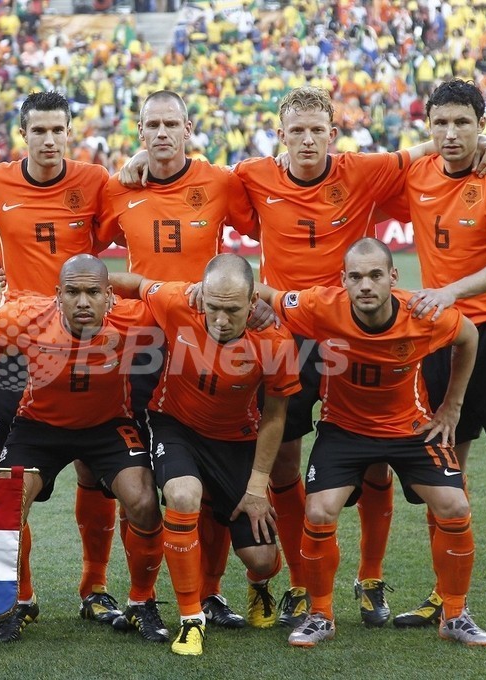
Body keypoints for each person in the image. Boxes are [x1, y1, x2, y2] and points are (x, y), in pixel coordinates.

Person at [120, 86, 486, 628]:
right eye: (296, 131)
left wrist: (483, 142)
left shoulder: (362, 169)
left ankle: (370, 579)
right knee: (282, 461)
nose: (306, 140)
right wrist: (145, 156)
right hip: (289, 332)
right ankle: (300, 585)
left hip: (354, 330)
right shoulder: (252, 175)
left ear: (332, 134)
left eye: (316, 130)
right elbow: (191, 176)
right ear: (280, 136)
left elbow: (427, 150)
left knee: (376, 455)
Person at [258, 238, 486, 648]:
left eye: (375, 275)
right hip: (344, 429)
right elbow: (269, 295)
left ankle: (455, 614)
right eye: (356, 277)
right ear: (343, 280)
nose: (366, 285)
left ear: (393, 277)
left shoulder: (422, 314)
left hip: (409, 429)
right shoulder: (319, 305)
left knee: (455, 506)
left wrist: (451, 406)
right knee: (319, 510)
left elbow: (468, 336)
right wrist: (217, 292)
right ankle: (320, 615)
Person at [388, 79, 486, 644]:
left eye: (463, 122)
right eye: (441, 123)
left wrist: (451, 291)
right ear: (427, 127)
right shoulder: (417, 173)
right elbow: (355, 182)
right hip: (440, 338)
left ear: (482, 124)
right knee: (443, 473)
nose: (451, 133)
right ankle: (446, 596)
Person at [98, 90, 260, 630]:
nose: (163, 132)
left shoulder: (221, 182)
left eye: (172, 123)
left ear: (189, 128)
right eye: (153, 125)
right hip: (141, 347)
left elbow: (266, 221)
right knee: (138, 478)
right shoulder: (118, 187)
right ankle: (140, 598)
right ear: (139, 131)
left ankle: (209, 593)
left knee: (205, 479)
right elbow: (86, 244)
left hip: (209, 343)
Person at [0, 255, 167, 644]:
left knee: (144, 502)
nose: (83, 302)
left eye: (93, 292)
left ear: (109, 295)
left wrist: (260, 312)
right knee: (6, 503)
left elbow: (193, 312)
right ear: (57, 295)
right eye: (73, 292)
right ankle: (20, 602)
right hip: (39, 427)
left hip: (108, 426)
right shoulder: (25, 315)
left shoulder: (135, 316)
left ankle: (141, 602)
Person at [0, 91, 122, 634]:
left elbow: (124, 221)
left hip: (84, 342)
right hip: (15, 347)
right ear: (23, 134)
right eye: (40, 131)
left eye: (58, 130)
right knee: (9, 477)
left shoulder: (95, 180)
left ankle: (94, 588)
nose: (50, 140)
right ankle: (21, 595)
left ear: (69, 132)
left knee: (94, 469)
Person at [109, 254, 299, 655]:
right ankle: (191, 618)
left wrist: (257, 487)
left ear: (253, 302)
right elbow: (135, 282)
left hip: (236, 438)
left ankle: (259, 584)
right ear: (201, 295)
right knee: (182, 496)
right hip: (174, 424)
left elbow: (274, 416)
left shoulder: (276, 341)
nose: (221, 320)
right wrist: (91, 285)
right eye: (213, 307)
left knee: (262, 557)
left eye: (233, 310)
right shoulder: (178, 300)